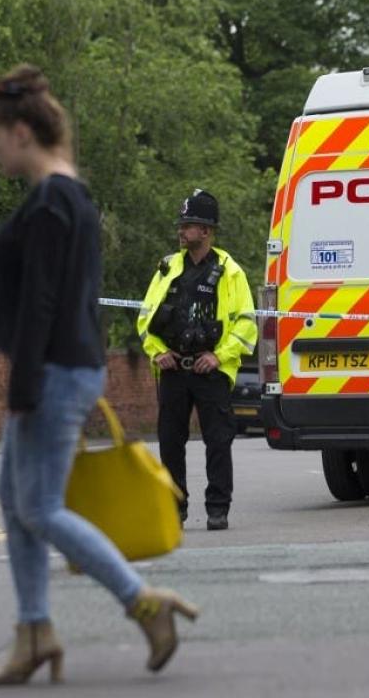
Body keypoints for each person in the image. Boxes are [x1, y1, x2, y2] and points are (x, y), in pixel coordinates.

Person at [0, 64, 197, 687]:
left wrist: (23, 385)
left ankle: (144, 603)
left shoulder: (52, 200)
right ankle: (35, 632)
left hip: (52, 371)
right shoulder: (68, 195)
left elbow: (43, 302)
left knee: (40, 508)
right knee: (17, 503)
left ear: (22, 133)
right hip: (61, 367)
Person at [137, 189, 257, 532]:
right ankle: (173, 508)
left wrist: (219, 357)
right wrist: (158, 352)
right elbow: (146, 317)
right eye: (181, 224)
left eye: (188, 225)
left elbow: (246, 323)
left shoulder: (230, 272)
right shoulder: (168, 268)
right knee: (170, 443)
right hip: (174, 369)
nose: (181, 230)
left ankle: (218, 508)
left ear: (205, 231)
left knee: (218, 441)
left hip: (211, 371)